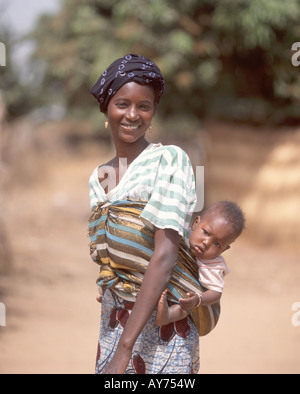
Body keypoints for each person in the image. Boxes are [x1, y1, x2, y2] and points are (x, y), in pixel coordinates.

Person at [88, 54, 203, 374]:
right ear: (106, 109)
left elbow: (164, 255)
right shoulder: (98, 178)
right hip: (114, 322)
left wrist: (125, 350)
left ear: (153, 113)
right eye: (122, 104)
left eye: (144, 106)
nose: (132, 115)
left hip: (162, 328)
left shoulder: (169, 160)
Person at [155, 200, 245, 327]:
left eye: (217, 244)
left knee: (186, 307)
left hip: (185, 297)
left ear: (224, 250)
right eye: (206, 233)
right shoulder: (180, 231)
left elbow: (216, 292)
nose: (207, 242)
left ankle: (168, 315)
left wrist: (198, 299)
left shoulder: (213, 264)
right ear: (195, 223)